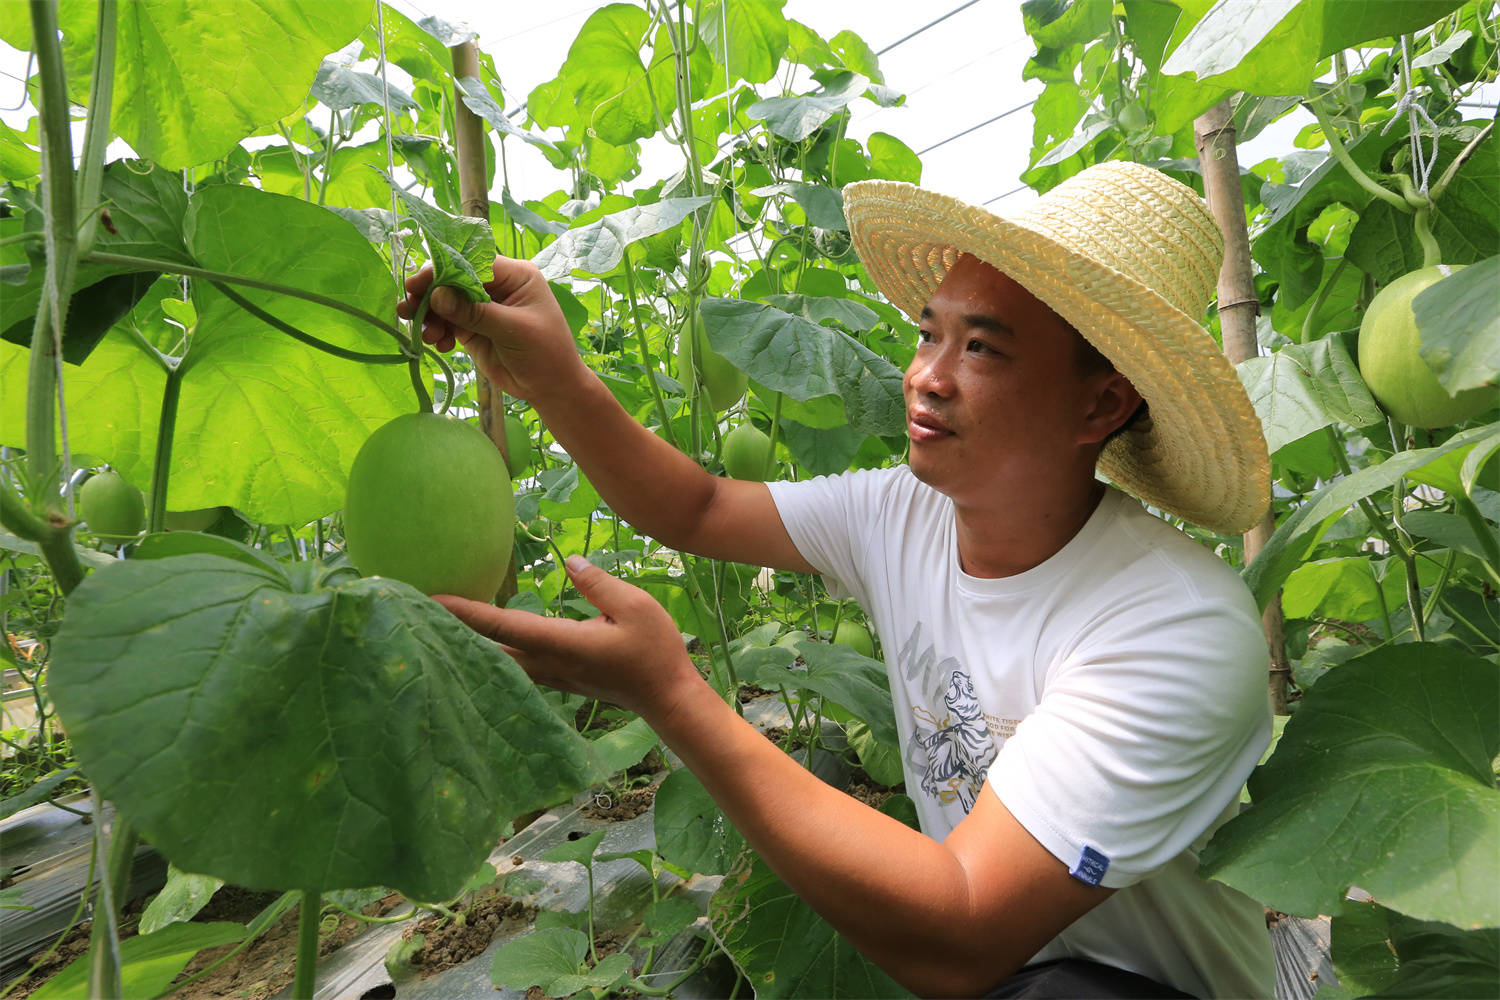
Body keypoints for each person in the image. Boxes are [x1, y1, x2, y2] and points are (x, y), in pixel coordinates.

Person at [400, 161, 1277, 999]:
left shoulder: (1173, 624)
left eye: (983, 350)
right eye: (931, 332)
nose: (927, 377)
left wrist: (670, 691)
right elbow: (698, 509)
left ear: (1102, 405)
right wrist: (553, 377)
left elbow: (964, 930)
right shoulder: (903, 513)